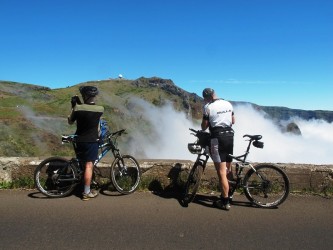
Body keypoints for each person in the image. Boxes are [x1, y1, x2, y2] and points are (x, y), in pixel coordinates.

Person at [201, 88, 235, 210]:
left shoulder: (208, 106)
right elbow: (233, 121)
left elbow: (204, 127)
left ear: (207, 97)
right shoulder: (228, 103)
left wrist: (210, 120)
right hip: (230, 136)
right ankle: (230, 195)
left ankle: (225, 202)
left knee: (221, 171)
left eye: (204, 98)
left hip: (217, 138)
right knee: (228, 169)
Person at [67, 86, 104, 201]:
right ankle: (86, 192)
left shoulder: (78, 108)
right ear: (94, 96)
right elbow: (97, 124)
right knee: (89, 165)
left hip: (80, 140)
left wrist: (74, 105)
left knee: (83, 164)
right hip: (91, 140)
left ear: (84, 96)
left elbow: (70, 121)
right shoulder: (100, 109)